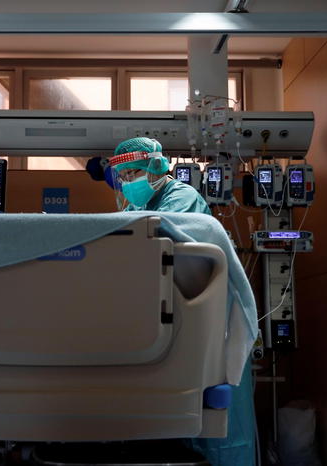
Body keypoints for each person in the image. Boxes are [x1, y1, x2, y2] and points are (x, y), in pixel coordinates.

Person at [107, 137, 256, 466]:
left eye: (134, 173)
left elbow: (158, 239)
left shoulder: (181, 197)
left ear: (156, 167)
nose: (129, 182)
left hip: (208, 322)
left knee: (221, 431)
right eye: (124, 176)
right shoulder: (135, 209)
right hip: (173, 321)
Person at [107, 137, 210, 214]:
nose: (126, 183)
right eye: (122, 178)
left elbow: (161, 233)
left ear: (156, 166)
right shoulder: (141, 205)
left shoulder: (183, 198)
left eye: (129, 174)